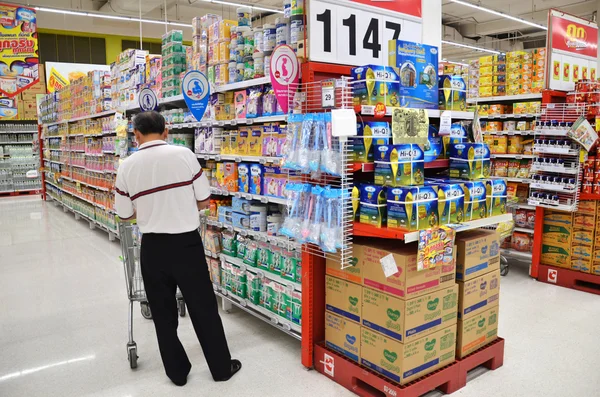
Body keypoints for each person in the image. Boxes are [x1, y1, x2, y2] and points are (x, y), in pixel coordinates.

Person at [114, 111, 241, 386]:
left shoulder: (126, 166)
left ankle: (177, 373)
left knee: (162, 312)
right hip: (186, 244)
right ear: (166, 131)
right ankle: (220, 368)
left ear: (136, 135)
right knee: (203, 307)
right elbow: (204, 200)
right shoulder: (184, 155)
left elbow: (124, 214)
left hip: (153, 248)